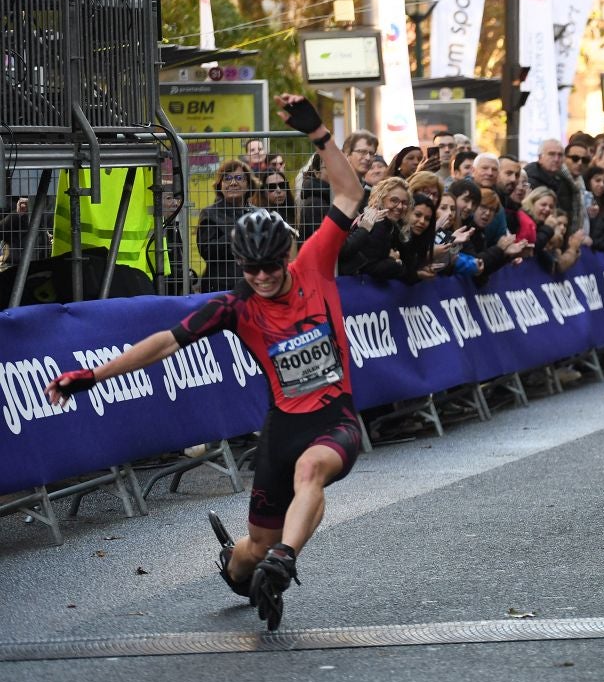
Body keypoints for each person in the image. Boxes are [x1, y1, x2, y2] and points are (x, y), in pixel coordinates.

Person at [46, 93, 365, 631]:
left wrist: (318, 135)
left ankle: (284, 561)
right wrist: (93, 376)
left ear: (286, 256)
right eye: (251, 269)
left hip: (334, 417)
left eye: (269, 267)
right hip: (283, 426)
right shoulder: (234, 306)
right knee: (252, 552)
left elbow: (350, 191)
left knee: (311, 473)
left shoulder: (314, 264)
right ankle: (244, 566)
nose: (262, 278)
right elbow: (165, 342)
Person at [197, 161, 257, 292]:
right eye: (227, 178)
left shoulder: (258, 213)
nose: (233, 183)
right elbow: (207, 251)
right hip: (221, 287)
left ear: (248, 185)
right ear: (220, 185)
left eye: (239, 178)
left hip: (254, 285)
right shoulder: (210, 213)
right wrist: (237, 235)